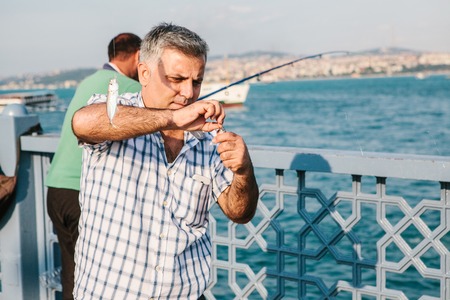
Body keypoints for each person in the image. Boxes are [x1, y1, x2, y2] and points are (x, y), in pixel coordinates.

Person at [71, 22, 259, 299]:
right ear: (144, 73)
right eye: (177, 79)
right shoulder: (114, 110)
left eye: (196, 82)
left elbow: (239, 213)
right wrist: (172, 119)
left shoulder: (208, 138)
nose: (188, 93)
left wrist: (243, 171)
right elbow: (83, 122)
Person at [45, 32, 142, 300]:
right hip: (82, 193)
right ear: (137, 56)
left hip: (56, 188)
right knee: (94, 280)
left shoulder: (87, 82)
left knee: (71, 276)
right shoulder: (129, 88)